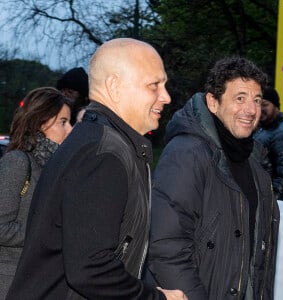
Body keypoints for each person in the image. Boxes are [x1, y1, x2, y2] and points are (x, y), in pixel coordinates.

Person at [6, 38, 187, 300]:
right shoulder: (103, 154)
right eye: (154, 85)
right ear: (115, 86)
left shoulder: (97, 142)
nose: (166, 97)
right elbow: (90, 269)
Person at [146, 57, 280, 299]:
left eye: (257, 100)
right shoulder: (186, 154)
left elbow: (261, 261)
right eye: (240, 98)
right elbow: (166, 247)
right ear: (212, 102)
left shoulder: (255, 165)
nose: (251, 110)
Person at [0, 87, 72, 299]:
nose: (70, 129)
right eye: (63, 122)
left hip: (40, 283)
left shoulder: (55, 167)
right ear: (41, 122)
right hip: (10, 284)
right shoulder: (17, 162)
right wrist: (49, 233)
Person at [254, 86, 283, 201]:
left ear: (276, 106)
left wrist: (271, 209)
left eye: (264, 104)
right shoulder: (263, 128)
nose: (260, 109)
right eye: (257, 104)